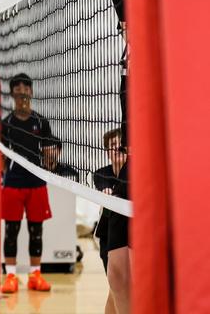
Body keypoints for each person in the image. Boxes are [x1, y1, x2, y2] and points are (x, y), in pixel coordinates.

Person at [0, 73, 56, 294]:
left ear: (31, 91)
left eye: (26, 87)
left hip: (37, 183)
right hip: (13, 183)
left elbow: (50, 150)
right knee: (11, 231)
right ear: (13, 92)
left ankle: (35, 275)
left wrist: (52, 161)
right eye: (18, 87)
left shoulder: (41, 122)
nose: (22, 90)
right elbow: (2, 157)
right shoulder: (7, 123)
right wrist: (6, 173)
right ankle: (11, 276)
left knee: (36, 231)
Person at [93, 128, 127, 314]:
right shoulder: (102, 174)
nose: (117, 148)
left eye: (120, 144)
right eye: (112, 145)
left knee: (119, 287)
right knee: (116, 287)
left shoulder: (135, 172)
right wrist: (107, 193)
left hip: (131, 234)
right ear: (107, 152)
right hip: (108, 235)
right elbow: (104, 187)